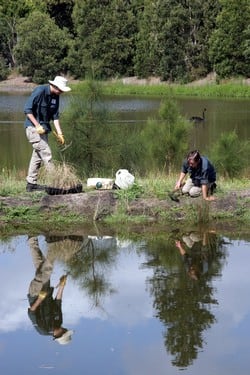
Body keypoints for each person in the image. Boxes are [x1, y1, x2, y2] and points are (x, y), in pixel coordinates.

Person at [24, 76, 71, 192]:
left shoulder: (56, 96)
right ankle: (57, 183)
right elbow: (27, 110)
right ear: (54, 86)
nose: (61, 92)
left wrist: (60, 134)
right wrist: (37, 125)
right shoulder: (40, 91)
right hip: (32, 128)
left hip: (44, 130)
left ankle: (31, 184)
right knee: (46, 154)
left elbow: (55, 117)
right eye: (60, 90)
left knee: (37, 157)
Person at [27, 236, 73, 345]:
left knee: (47, 270)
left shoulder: (43, 330)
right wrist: (62, 285)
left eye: (64, 331)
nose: (64, 328)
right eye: (65, 330)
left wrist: (39, 299)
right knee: (40, 264)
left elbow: (31, 313)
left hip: (35, 294)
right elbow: (58, 302)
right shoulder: (59, 321)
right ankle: (32, 238)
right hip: (46, 291)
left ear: (58, 335)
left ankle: (53, 243)